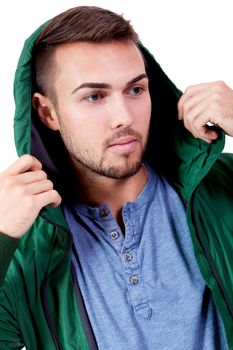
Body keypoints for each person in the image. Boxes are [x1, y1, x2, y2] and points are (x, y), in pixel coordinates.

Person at [0, 5, 233, 350]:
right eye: (94, 96)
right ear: (48, 112)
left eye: (135, 90)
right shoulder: (26, 252)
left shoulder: (222, 187)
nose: (123, 117)